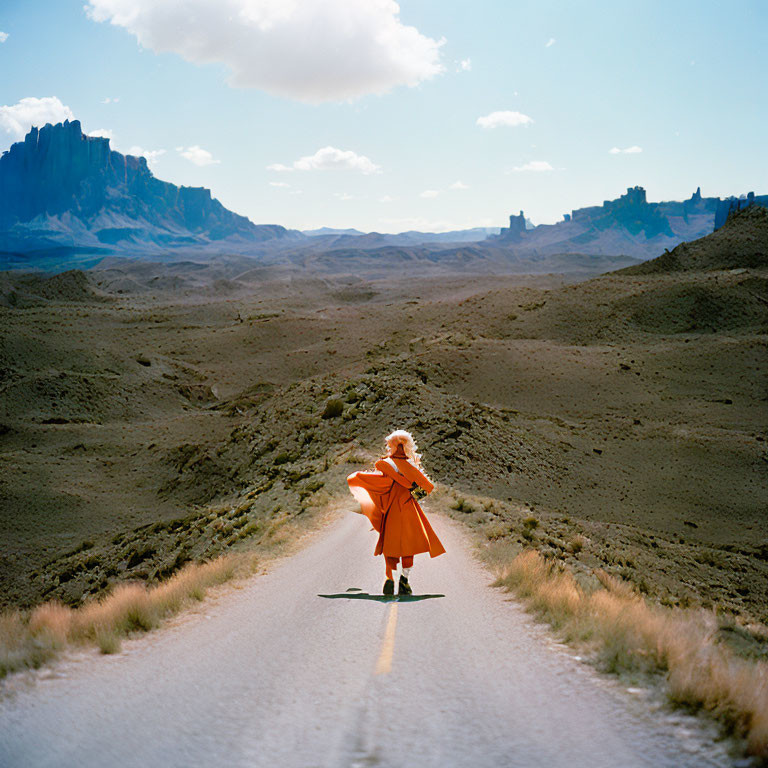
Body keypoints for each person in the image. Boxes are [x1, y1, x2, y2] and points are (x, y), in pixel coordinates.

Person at [347, 429, 446, 595]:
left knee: (391, 546)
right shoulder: (411, 467)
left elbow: (373, 483)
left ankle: (389, 578)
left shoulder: (385, 465)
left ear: (392, 446)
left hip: (392, 511)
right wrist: (412, 493)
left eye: (389, 444)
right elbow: (429, 487)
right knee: (408, 547)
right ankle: (404, 581)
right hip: (409, 510)